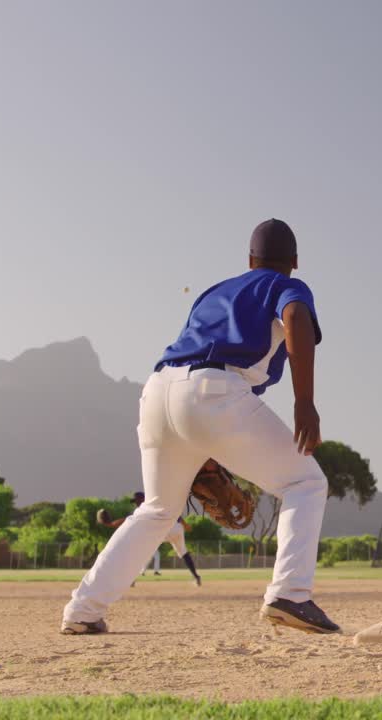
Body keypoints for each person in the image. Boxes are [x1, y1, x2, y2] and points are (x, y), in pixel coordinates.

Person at [61, 218, 337, 634]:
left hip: (158, 391)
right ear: (294, 261)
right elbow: (295, 317)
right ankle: (291, 594)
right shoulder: (287, 286)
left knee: (156, 510)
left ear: (249, 259)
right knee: (305, 483)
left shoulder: (214, 292)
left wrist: (202, 445)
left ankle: (81, 612)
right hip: (216, 390)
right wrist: (304, 403)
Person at [97, 491, 201, 585]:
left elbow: (126, 520)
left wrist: (110, 524)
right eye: (135, 501)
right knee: (184, 553)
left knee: (139, 552)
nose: (136, 503)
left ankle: (131, 579)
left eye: (137, 501)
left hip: (163, 530)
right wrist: (185, 524)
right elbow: (174, 513)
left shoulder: (144, 508)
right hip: (176, 528)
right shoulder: (156, 504)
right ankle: (196, 577)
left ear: (143, 499)